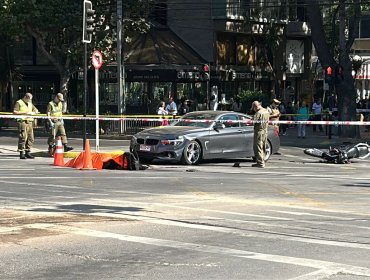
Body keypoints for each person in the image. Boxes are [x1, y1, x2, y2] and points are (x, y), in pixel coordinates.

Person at [13, 92, 40, 159]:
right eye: (28, 99)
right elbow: (15, 111)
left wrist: (35, 111)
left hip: (29, 122)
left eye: (30, 99)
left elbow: (35, 109)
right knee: (23, 137)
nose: (29, 101)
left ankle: (28, 152)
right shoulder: (19, 102)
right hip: (22, 122)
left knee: (31, 138)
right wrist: (26, 113)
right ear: (25, 97)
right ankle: (21, 152)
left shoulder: (30, 103)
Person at [251, 101, 270, 168]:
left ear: (255, 106)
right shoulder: (266, 111)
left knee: (257, 147)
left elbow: (253, 121)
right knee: (263, 146)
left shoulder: (258, 113)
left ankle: (260, 163)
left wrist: (246, 120)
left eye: (253, 108)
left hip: (259, 131)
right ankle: (263, 160)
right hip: (265, 130)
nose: (253, 110)